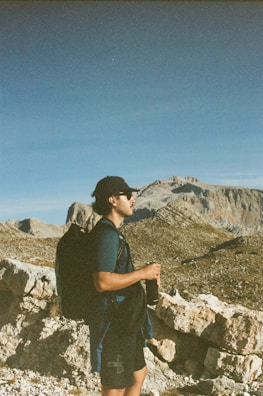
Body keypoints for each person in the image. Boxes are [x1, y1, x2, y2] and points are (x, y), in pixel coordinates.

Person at [88, 176, 161, 396]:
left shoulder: (113, 233)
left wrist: (143, 276)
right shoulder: (106, 234)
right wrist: (142, 273)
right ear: (112, 200)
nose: (133, 200)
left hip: (126, 321)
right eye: (127, 195)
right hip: (114, 323)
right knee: (115, 386)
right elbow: (102, 282)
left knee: (138, 374)